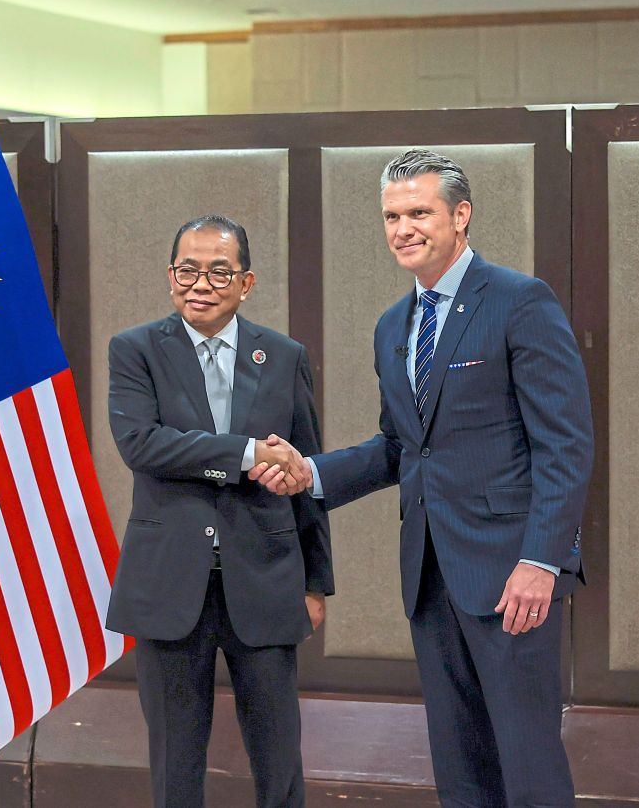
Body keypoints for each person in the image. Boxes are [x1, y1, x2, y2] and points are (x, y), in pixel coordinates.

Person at [252, 150, 593, 807]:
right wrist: (310, 473)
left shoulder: (520, 302)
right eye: (391, 216)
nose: (403, 228)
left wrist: (541, 562)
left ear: (460, 216)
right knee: (461, 768)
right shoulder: (393, 326)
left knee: (527, 765)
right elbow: (399, 447)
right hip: (431, 577)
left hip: (512, 577)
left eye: (419, 212)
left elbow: (566, 445)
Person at [106, 214, 332, 808]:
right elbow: (142, 445)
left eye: (218, 271)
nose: (199, 284)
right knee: (175, 766)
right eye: (187, 270)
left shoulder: (283, 356)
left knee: (279, 759)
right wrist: (245, 453)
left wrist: (317, 581)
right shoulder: (135, 350)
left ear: (246, 282)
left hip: (266, 576)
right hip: (169, 583)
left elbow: (305, 473)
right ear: (170, 275)